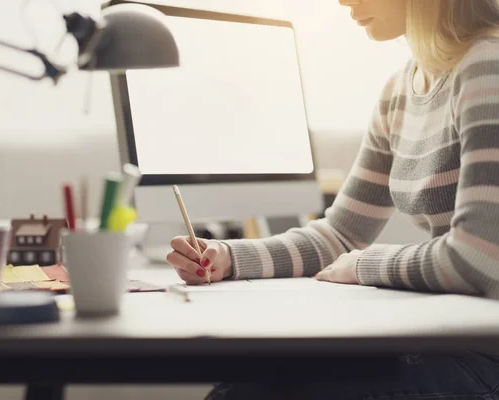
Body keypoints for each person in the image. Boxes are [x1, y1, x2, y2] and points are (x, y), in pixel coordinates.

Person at [167, 0, 499, 398]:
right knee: (243, 386)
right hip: (445, 340)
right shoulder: (400, 90)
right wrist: (228, 257)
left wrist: (365, 264)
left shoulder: (487, 67)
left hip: (486, 358)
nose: (343, 1)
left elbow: (477, 260)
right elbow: (340, 235)